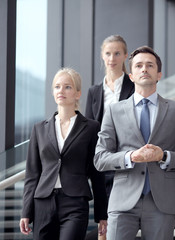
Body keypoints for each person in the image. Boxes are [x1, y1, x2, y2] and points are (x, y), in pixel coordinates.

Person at [94, 46, 175, 240]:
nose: (144, 69)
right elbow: (100, 158)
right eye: (139, 66)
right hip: (123, 200)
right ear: (131, 75)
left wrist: (164, 156)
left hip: (162, 201)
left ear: (158, 74)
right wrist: (130, 157)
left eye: (150, 65)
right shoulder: (114, 111)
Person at [19, 68, 108, 239]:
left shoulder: (91, 127)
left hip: (74, 203)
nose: (61, 90)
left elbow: (97, 174)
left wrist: (101, 214)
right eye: (57, 87)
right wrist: (26, 211)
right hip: (43, 203)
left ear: (77, 93)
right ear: (53, 92)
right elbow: (32, 174)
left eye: (67, 87)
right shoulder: (39, 129)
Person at [85, 35, 134, 240]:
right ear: (102, 56)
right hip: (102, 161)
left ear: (125, 56)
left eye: (116, 53)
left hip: (127, 157)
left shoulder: (133, 86)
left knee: (122, 221)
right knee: (103, 223)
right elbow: (87, 128)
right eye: (108, 53)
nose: (112, 58)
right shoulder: (95, 91)